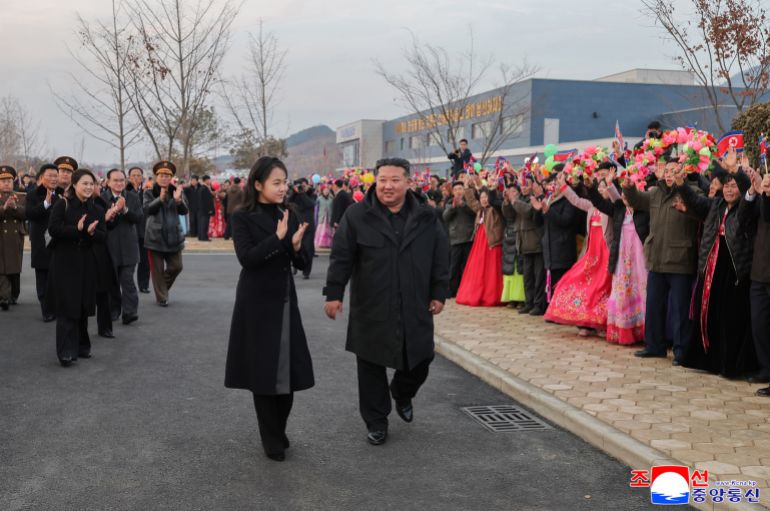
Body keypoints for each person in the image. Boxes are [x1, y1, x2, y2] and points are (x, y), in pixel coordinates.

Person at [324, 157, 449, 446]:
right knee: (370, 365)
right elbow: (341, 257)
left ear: (408, 182)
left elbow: (441, 256)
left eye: (395, 180)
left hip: (414, 303)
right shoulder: (357, 215)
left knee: (421, 357)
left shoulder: (427, 216)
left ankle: (403, 392)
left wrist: (439, 292)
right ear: (375, 181)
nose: (388, 186)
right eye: (382, 180)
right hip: (371, 305)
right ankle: (376, 421)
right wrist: (333, 294)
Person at [225, 156, 313, 462]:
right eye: (276, 182)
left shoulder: (289, 212)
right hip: (256, 302)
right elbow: (247, 259)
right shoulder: (242, 217)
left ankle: (278, 427)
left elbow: (303, 264)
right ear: (258, 184)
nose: (282, 187)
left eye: (285, 182)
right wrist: (277, 238)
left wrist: (298, 248)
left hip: (286, 300)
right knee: (263, 372)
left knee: (287, 372)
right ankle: (271, 436)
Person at [677, 167, 755, 377]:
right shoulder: (716, 205)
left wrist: (738, 170)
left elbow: (749, 193)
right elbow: (694, 200)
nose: (730, 190)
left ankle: (729, 365)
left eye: (734, 186)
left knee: (730, 318)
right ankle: (708, 361)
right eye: (727, 186)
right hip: (711, 265)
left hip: (734, 269)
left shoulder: (746, 207)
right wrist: (680, 184)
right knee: (708, 314)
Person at [623, 157, 702, 364]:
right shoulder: (655, 193)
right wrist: (629, 189)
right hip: (657, 258)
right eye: (666, 170)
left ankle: (682, 351)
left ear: (683, 173)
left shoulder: (691, 192)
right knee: (654, 306)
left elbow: (701, 210)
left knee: (680, 310)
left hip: (680, 260)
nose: (669, 174)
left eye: (674, 170)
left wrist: (684, 190)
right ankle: (654, 346)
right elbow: (636, 200)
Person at [47, 169, 106, 367]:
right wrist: (77, 231)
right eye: (85, 184)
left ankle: (82, 346)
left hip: (87, 261)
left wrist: (90, 233)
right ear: (74, 185)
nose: (89, 187)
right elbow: (53, 229)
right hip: (65, 261)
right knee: (66, 306)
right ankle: (65, 351)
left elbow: (103, 236)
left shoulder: (96, 208)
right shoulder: (62, 204)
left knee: (82, 304)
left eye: (91, 184)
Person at [544, 173, 613, 335]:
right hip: (592, 253)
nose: (601, 189)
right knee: (578, 280)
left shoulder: (611, 207)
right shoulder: (590, 206)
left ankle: (602, 322)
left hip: (606, 253)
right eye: (600, 187)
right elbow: (575, 200)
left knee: (602, 288)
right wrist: (563, 186)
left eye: (604, 187)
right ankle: (585, 320)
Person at [586, 171, 650, 344]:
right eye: (623, 193)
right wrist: (591, 187)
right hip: (622, 260)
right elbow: (599, 202)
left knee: (642, 292)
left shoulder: (644, 211)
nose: (625, 196)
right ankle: (624, 332)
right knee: (622, 292)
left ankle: (644, 333)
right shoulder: (619, 208)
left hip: (640, 260)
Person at [740, 171, 770, 394]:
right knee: (759, 325)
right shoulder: (761, 196)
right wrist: (753, 191)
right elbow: (743, 218)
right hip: (759, 270)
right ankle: (765, 368)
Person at [143, 161, 188, 307]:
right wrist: (160, 199)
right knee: (157, 271)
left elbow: (185, 211)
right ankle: (162, 297)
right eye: (161, 175)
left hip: (174, 236)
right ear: (156, 177)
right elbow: (147, 210)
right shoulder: (149, 192)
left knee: (177, 266)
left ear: (171, 178)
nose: (164, 178)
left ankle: (161, 289)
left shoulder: (177, 191)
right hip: (155, 236)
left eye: (167, 176)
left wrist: (178, 201)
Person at [531, 170, 579, 307]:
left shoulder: (568, 201)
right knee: (551, 283)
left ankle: (563, 309)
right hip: (549, 249)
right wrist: (538, 210)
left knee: (562, 283)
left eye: (556, 185)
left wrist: (548, 210)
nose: (554, 188)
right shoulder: (549, 201)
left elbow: (565, 221)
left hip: (563, 249)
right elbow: (538, 223)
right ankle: (554, 309)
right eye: (552, 185)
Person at [102, 168, 142, 325]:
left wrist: (125, 210)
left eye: (121, 180)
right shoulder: (102, 198)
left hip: (128, 246)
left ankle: (130, 312)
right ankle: (114, 310)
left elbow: (138, 218)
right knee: (112, 282)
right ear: (108, 182)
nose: (119, 183)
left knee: (127, 280)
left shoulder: (132, 197)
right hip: (109, 246)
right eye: (115, 180)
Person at [456, 178, 504, 307]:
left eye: (486, 197)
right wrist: (467, 188)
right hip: (479, 242)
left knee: (491, 271)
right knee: (479, 270)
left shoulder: (495, 209)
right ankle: (478, 294)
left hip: (492, 242)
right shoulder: (480, 210)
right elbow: (472, 202)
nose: (484, 199)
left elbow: (495, 200)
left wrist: (492, 188)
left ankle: (492, 296)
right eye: (482, 197)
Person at [25, 163, 63, 321]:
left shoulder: (62, 194)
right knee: (43, 276)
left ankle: (56, 307)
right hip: (41, 241)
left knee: (57, 277)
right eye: (50, 176)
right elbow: (30, 214)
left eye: (56, 176)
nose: (54, 179)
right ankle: (46, 310)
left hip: (58, 241)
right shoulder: (33, 194)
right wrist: (46, 203)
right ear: (41, 177)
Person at [442, 180, 475, 298]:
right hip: (455, 239)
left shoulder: (469, 201)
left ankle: (467, 290)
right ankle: (452, 290)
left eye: (460, 189)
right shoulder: (450, 203)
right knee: (454, 266)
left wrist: (463, 204)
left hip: (468, 237)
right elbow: (445, 217)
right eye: (455, 190)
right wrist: (453, 207)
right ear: (453, 192)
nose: (458, 192)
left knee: (467, 266)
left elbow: (474, 212)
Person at [0, 166, 26, 311]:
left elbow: (26, 214)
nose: (6, 183)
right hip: (1, 237)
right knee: (2, 269)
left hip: (16, 237)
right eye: (3, 180)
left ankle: (14, 294)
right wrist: (4, 208)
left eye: (9, 180)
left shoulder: (21, 196)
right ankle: (4, 297)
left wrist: (15, 207)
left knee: (14, 270)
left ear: (13, 181)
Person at [500, 183, 526, 308]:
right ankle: (510, 298)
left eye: (514, 190)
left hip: (520, 236)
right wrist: (506, 202)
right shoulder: (507, 203)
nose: (511, 193)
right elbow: (508, 215)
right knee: (509, 269)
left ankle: (521, 298)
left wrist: (515, 201)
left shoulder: (522, 201)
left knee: (519, 269)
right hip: (509, 236)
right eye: (509, 191)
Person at [128, 167, 151, 294]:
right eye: (133, 175)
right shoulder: (125, 192)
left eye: (138, 175)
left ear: (142, 177)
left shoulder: (146, 193)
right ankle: (128, 285)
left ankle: (144, 285)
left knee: (144, 260)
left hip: (143, 230)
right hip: (130, 231)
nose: (136, 178)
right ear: (129, 177)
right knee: (130, 262)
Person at [289, 178, 317, 279]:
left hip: (308, 226)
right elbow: (287, 203)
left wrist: (301, 193)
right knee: (293, 247)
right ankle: (295, 265)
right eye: (300, 186)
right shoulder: (294, 195)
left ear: (308, 185)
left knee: (308, 249)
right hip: (295, 225)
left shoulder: (312, 194)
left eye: (304, 185)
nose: (302, 187)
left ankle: (306, 271)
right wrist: (294, 192)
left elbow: (310, 204)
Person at [197, 175, 214, 241]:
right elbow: (207, 200)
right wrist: (209, 209)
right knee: (204, 224)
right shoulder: (204, 188)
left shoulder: (201, 188)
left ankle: (201, 237)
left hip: (202, 209)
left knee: (202, 223)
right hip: (205, 209)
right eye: (209, 180)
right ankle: (204, 237)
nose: (210, 181)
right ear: (206, 180)